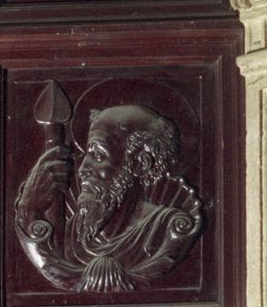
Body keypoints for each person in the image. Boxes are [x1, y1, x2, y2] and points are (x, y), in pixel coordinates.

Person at [15, 101, 204, 293]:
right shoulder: (69, 232)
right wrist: (29, 208)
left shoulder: (165, 229)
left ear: (140, 164)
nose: (82, 170)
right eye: (87, 155)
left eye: (98, 155)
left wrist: (28, 210)